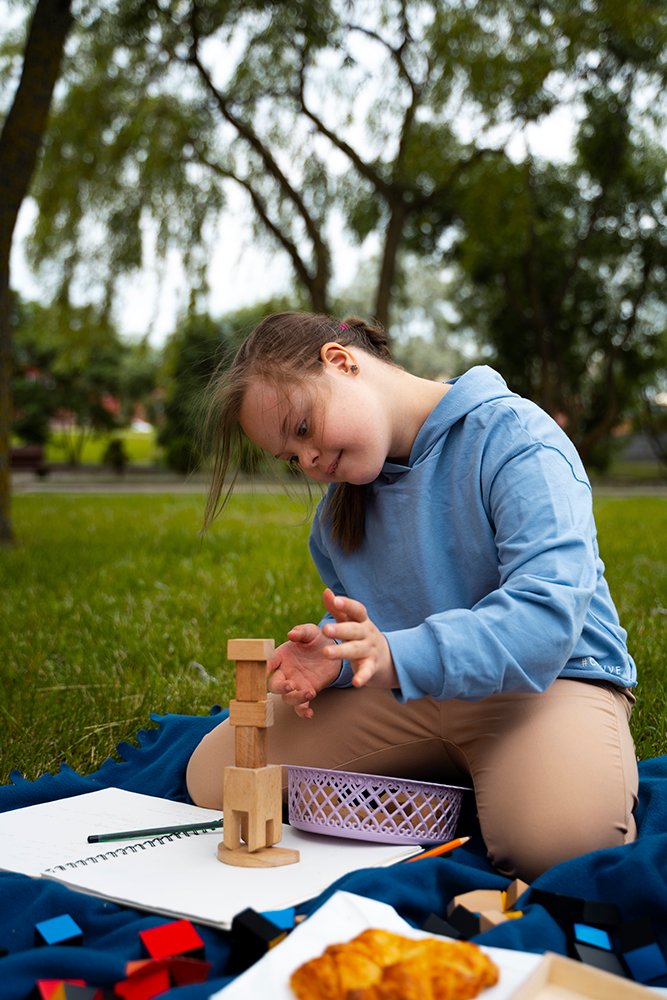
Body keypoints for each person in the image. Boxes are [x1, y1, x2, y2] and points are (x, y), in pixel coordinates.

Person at [186, 311, 638, 881]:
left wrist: (396, 656)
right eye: (292, 459)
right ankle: (449, 787)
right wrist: (337, 658)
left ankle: (505, 778)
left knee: (559, 848)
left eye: (302, 430)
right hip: (415, 695)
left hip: (546, 685)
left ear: (341, 362)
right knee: (215, 774)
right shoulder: (336, 520)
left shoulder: (515, 437)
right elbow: (382, 636)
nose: (310, 463)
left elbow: (546, 618)